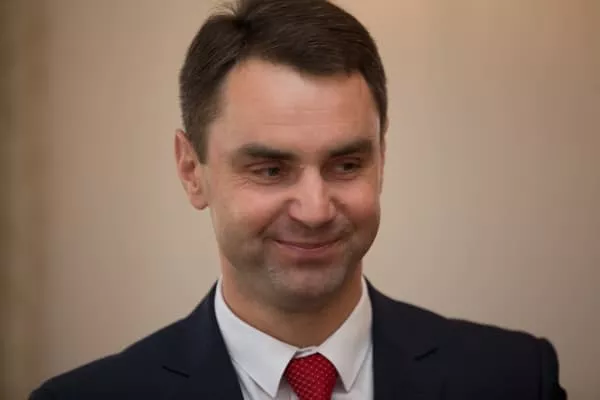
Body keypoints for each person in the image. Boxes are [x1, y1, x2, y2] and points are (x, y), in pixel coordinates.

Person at [30, 0, 567, 399]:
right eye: (270, 169)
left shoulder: (516, 378)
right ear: (192, 171)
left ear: (381, 160)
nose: (315, 210)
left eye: (346, 165)